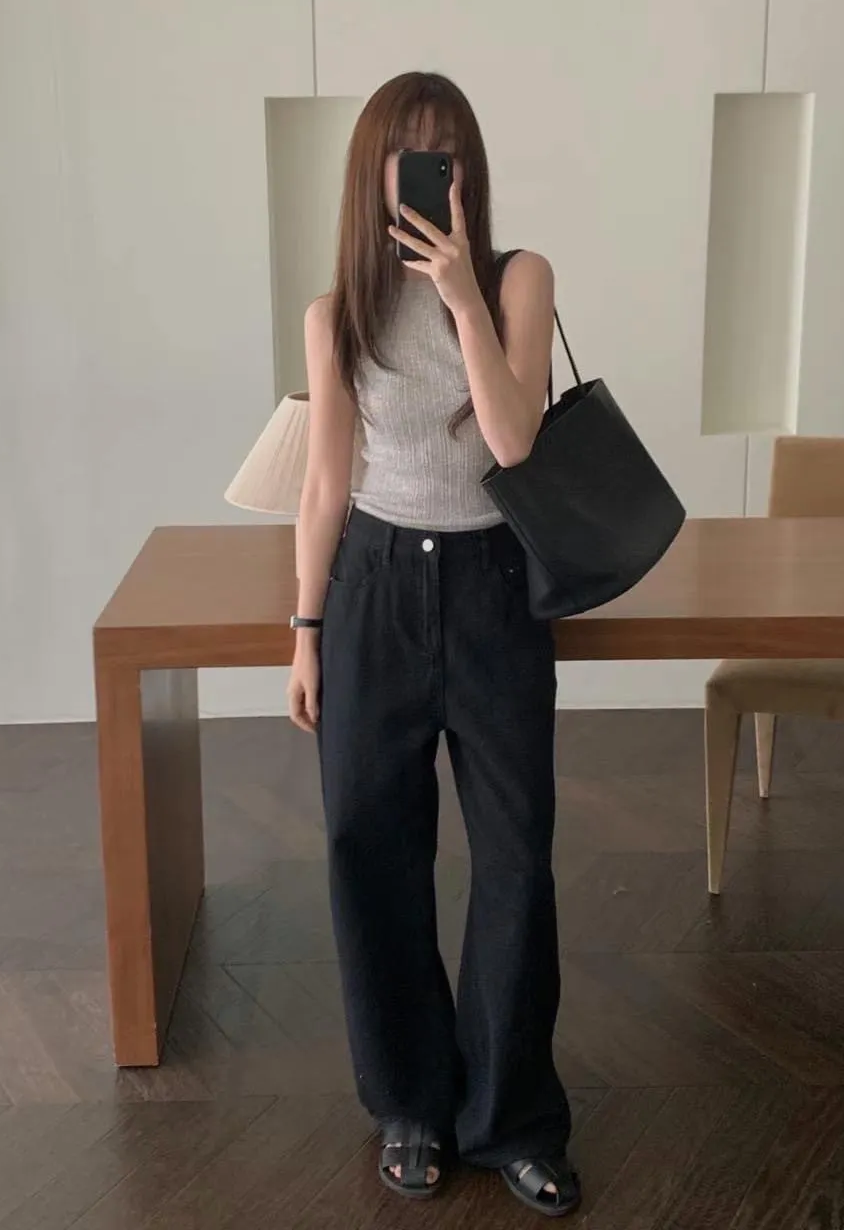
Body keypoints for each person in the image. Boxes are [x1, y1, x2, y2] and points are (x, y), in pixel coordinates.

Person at [288, 70, 581, 1218]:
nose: (429, 168)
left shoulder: (517, 280)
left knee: (514, 857)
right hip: (371, 589)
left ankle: (511, 1116)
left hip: (493, 588)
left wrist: (462, 297)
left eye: (446, 150)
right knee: (370, 848)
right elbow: (325, 484)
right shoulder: (336, 315)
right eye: (408, 149)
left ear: (470, 170)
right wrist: (306, 631)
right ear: (372, 171)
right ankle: (411, 1103)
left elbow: (515, 443)